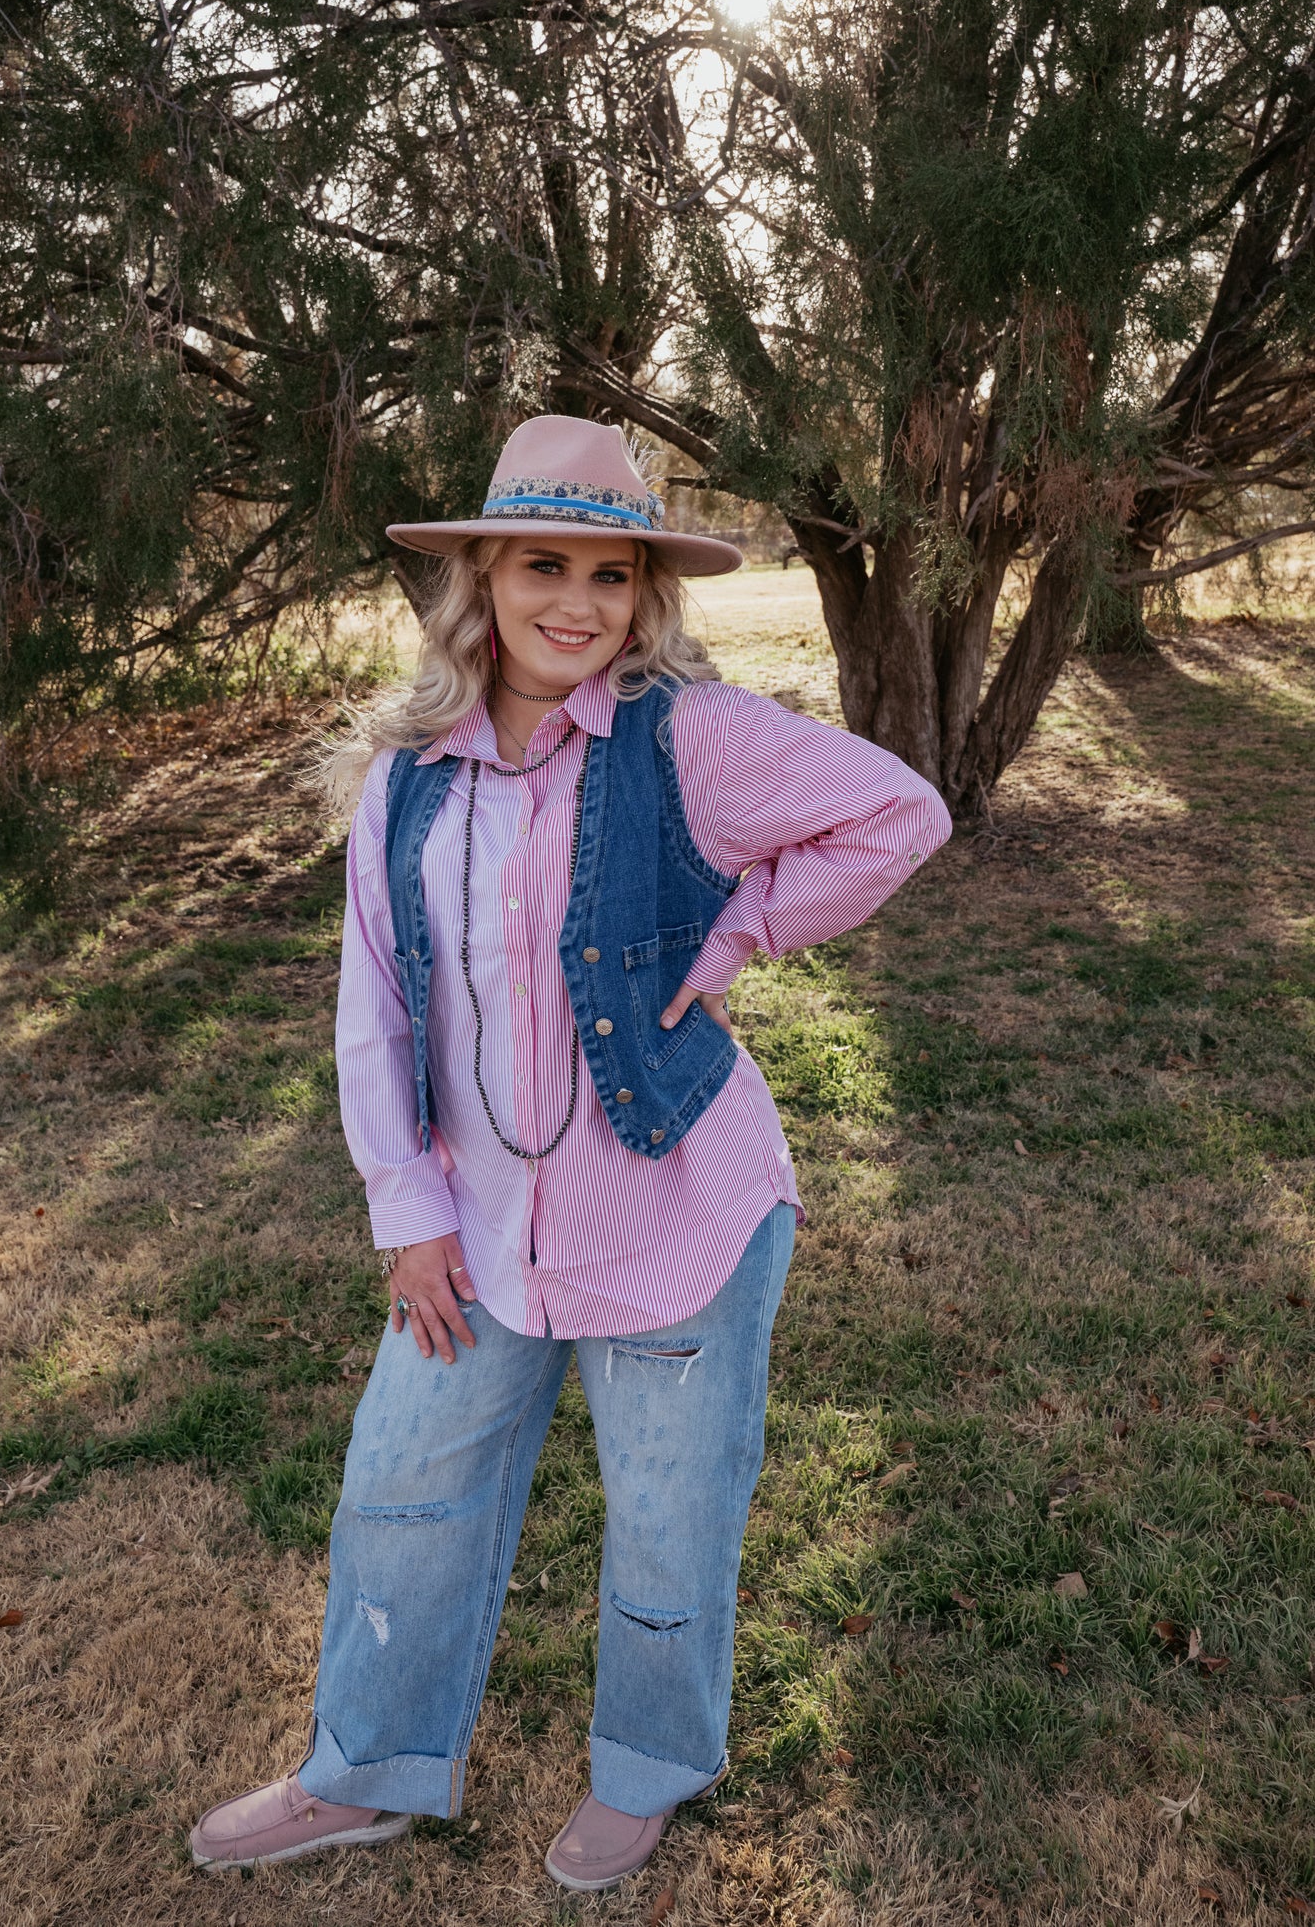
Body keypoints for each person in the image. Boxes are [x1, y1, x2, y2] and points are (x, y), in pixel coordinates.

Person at [188, 415, 951, 1891]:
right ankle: (365, 1769)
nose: (577, 605)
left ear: (642, 598)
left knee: (669, 1523)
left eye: (612, 576)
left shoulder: (690, 739)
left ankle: (649, 1766)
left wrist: (737, 931)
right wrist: (404, 1208)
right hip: (474, 1226)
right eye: (545, 564)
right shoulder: (408, 776)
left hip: (678, 1211)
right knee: (399, 1489)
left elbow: (894, 811)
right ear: (481, 577)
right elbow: (373, 1000)